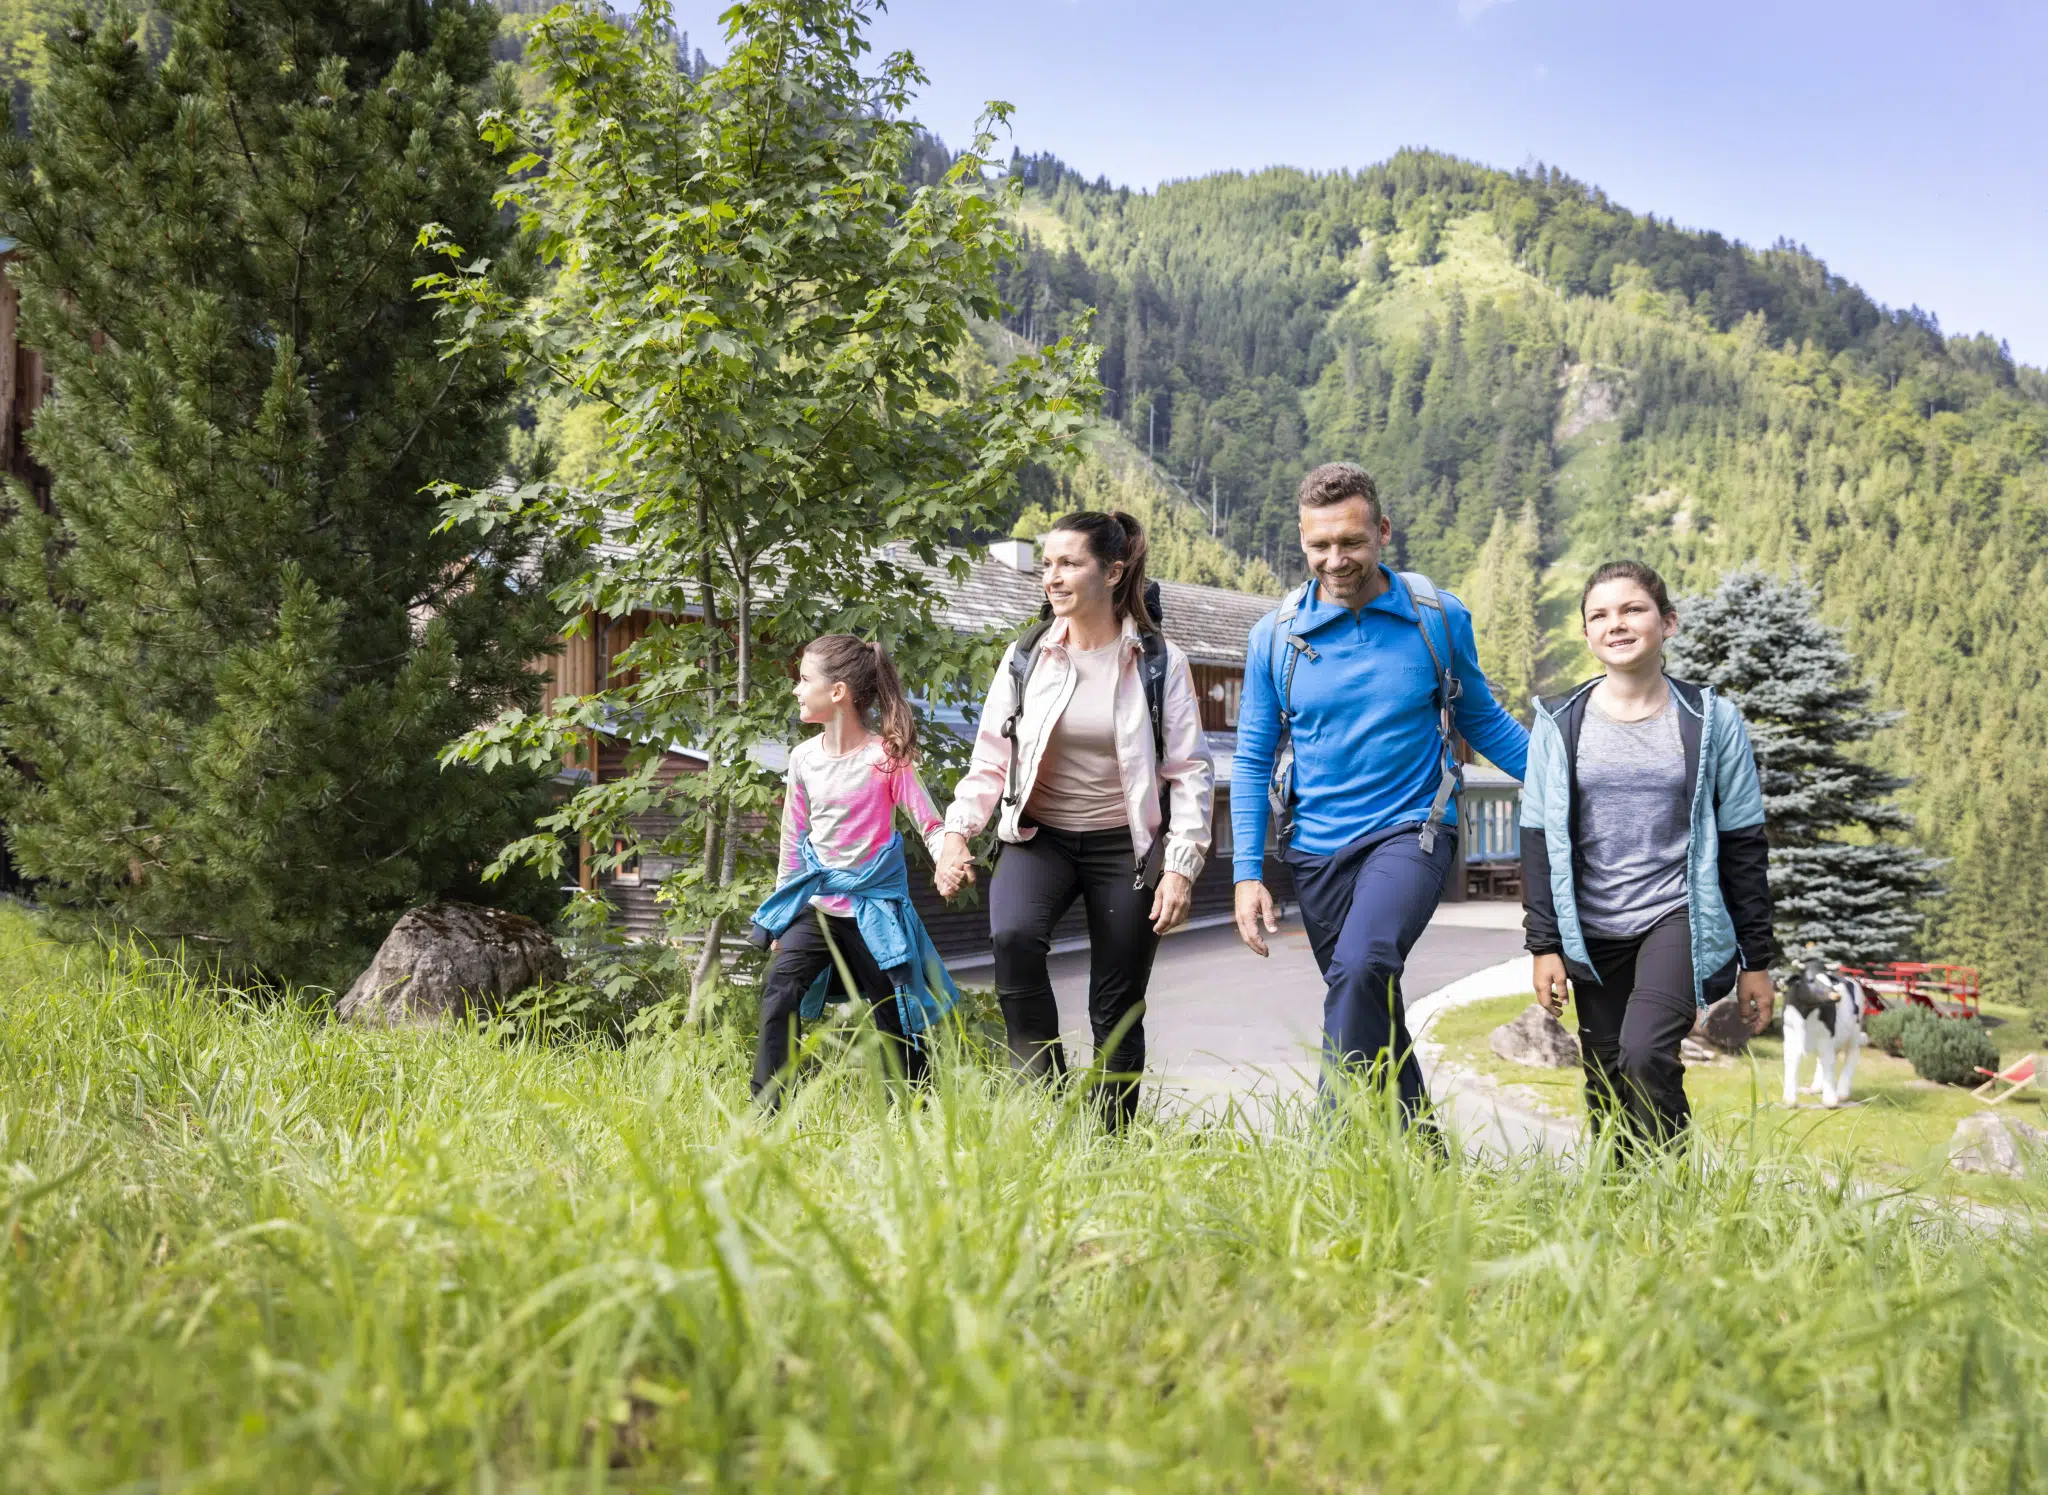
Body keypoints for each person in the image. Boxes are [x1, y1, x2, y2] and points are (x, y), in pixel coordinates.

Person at [1231, 462, 1530, 1128]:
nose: (1336, 559)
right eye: (1320, 545)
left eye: (1351, 542)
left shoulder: (1437, 618)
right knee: (1369, 1002)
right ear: (1303, 540)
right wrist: (1247, 872)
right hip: (1314, 849)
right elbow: (1251, 759)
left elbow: (1482, 721)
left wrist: (1564, 780)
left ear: (1382, 532)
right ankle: (1420, 1159)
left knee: (1364, 965)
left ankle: (1327, 1151)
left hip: (1412, 832)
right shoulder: (1274, 638)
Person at [935, 511, 1214, 1130]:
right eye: (1047, 563)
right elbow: (990, 757)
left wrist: (1180, 868)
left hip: (1126, 846)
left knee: (1116, 1007)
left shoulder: (1159, 661)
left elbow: (1190, 771)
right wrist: (958, 832)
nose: (1051, 577)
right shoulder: (1028, 655)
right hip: (1042, 838)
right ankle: (1046, 1100)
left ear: (1112, 573)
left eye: (1069, 563)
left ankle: (1108, 1143)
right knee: (1012, 941)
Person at [1521, 561, 1776, 1149]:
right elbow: (1535, 841)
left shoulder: (1712, 723)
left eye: (1633, 609)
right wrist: (1544, 946)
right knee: (1606, 1080)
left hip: (1675, 914)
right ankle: (1622, 1214)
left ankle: (1672, 1196)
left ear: (1668, 622)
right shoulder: (1557, 725)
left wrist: (1756, 962)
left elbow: (1743, 847)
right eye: (1600, 615)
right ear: (1586, 634)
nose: (1617, 624)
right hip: (1591, 925)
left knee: (1644, 1053)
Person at [746, 634, 957, 1110]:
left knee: (895, 1015)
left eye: (804, 680)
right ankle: (767, 1113)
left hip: (872, 912)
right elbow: (792, 842)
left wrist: (949, 855)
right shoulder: (803, 759)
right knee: (781, 988)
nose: (796, 690)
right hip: (818, 909)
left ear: (837, 692)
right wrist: (783, 916)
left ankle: (913, 1115)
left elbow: (929, 823)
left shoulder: (885, 759)